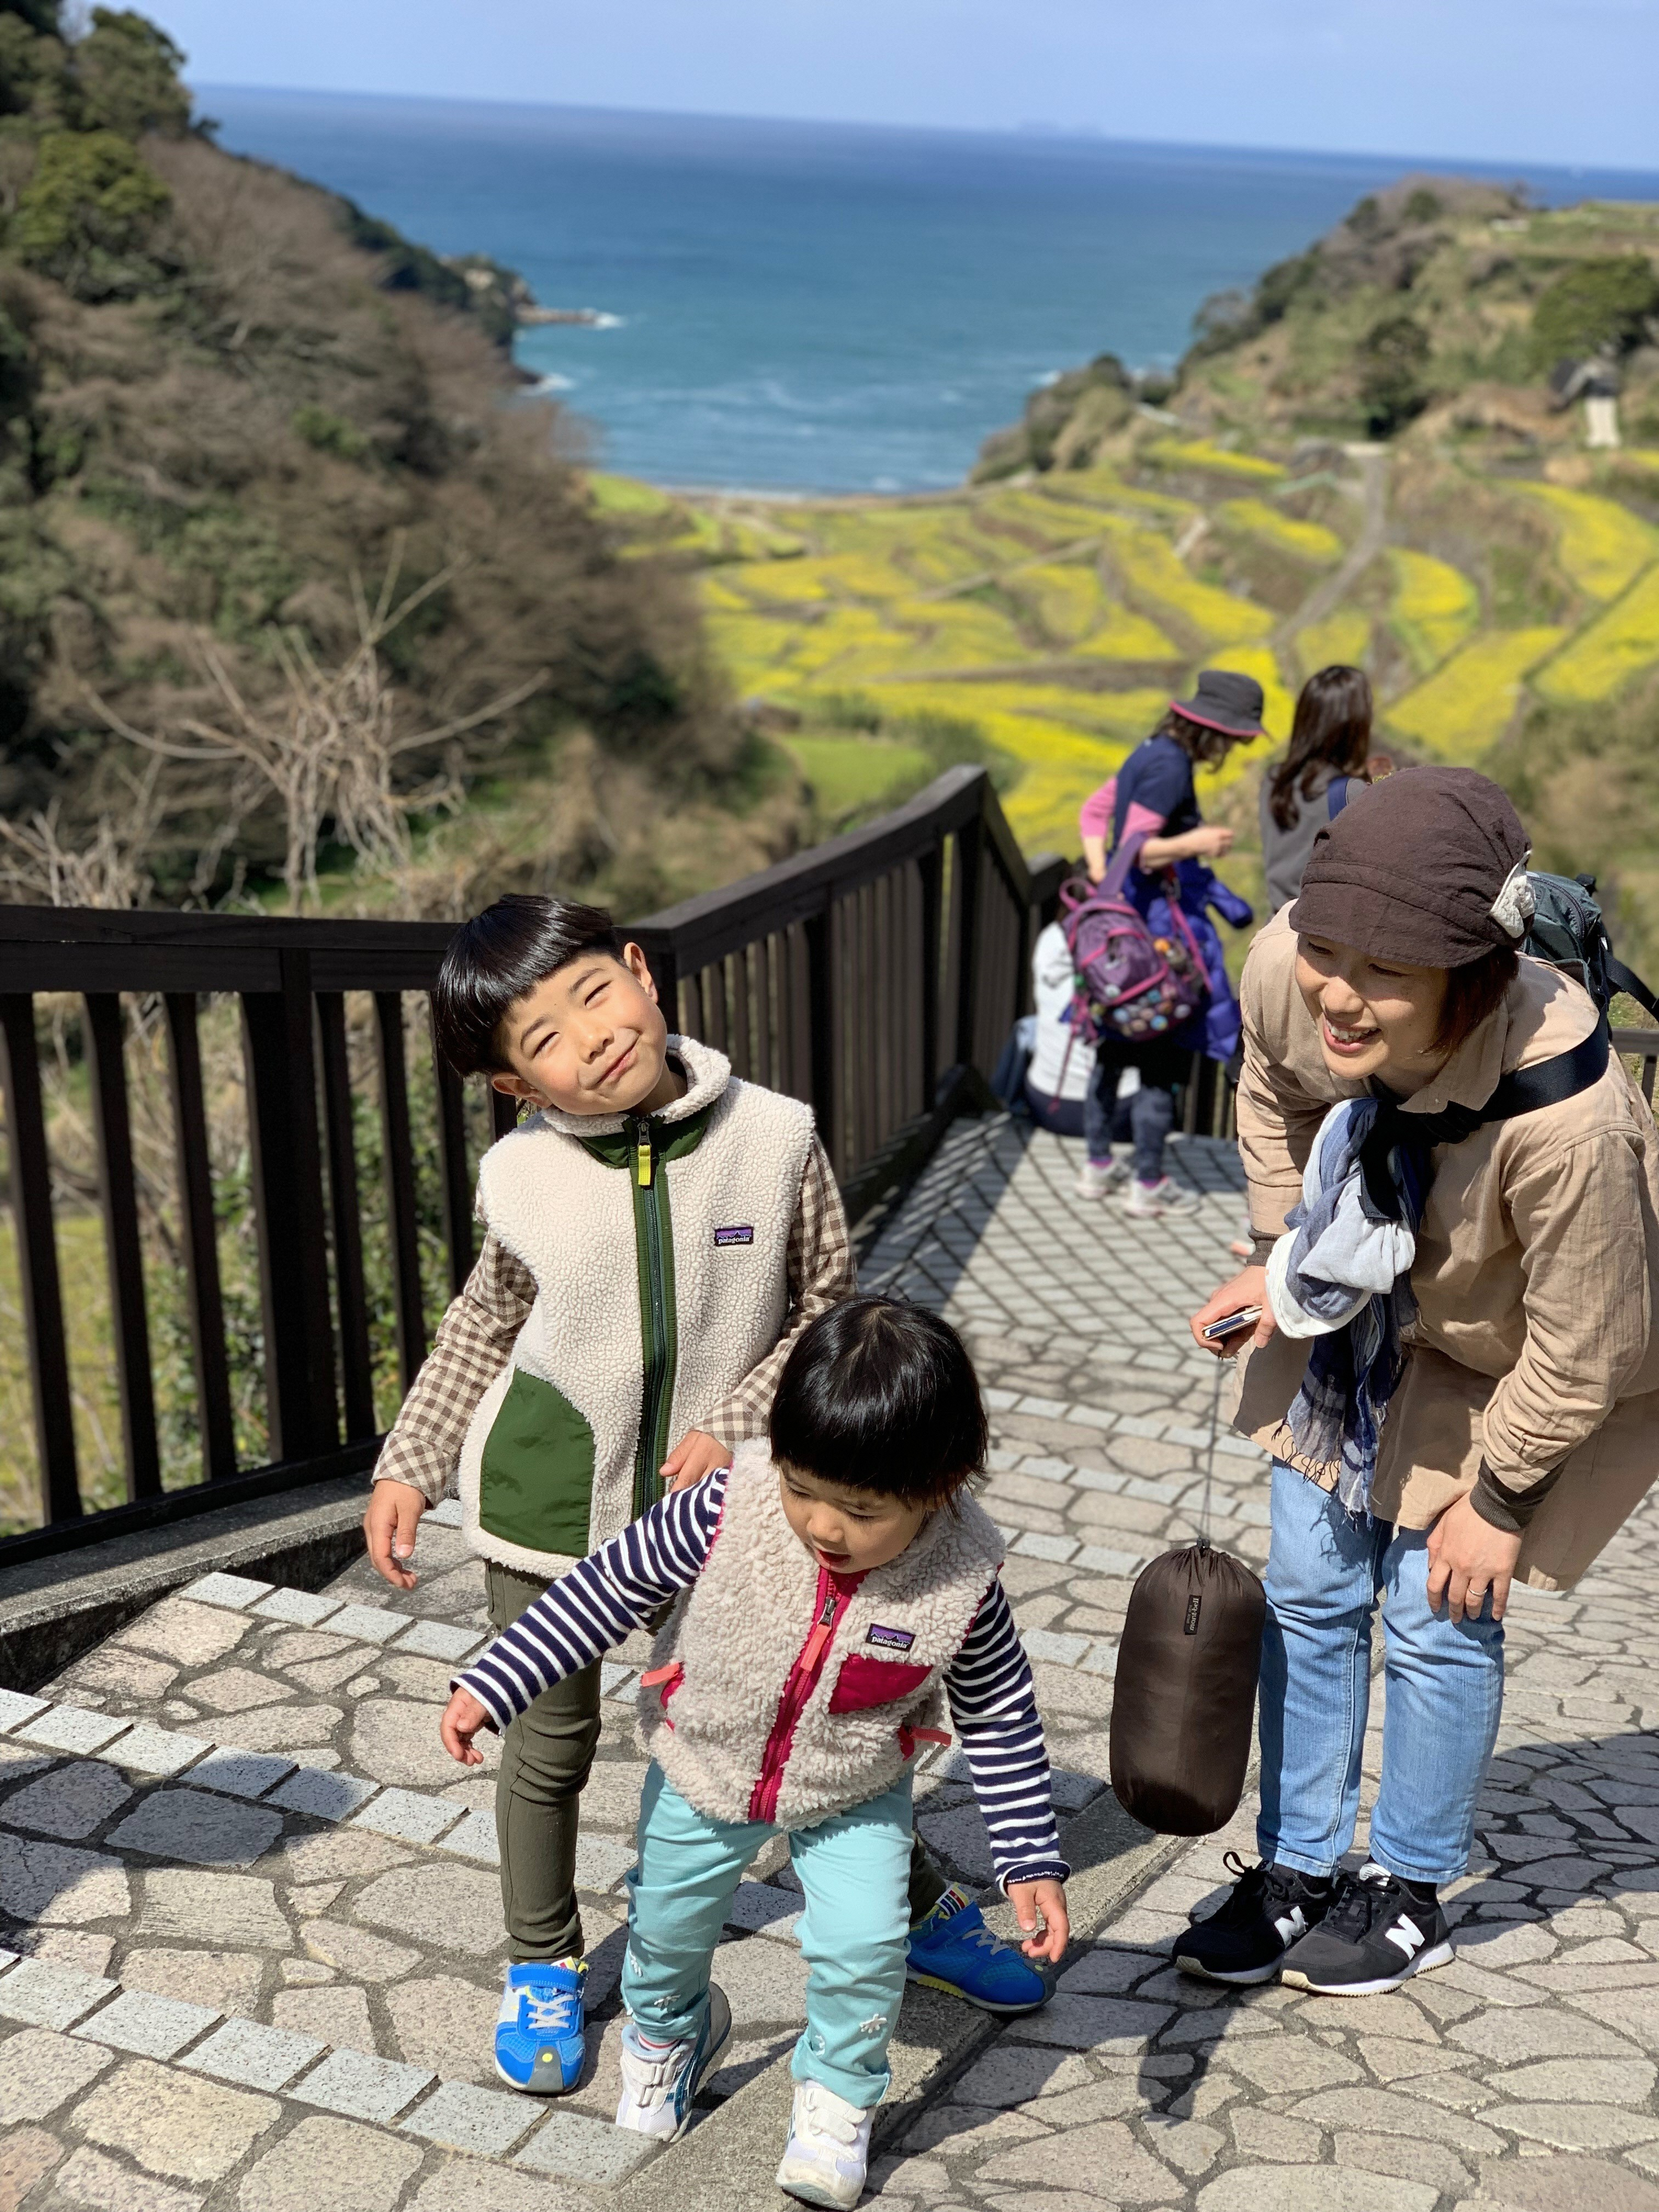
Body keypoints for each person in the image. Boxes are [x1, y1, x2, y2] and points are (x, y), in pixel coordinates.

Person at [362, 895, 1047, 2097]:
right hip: (548, 1497)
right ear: (519, 1087)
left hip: (740, 1514)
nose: (589, 1038)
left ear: (639, 971)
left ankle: (915, 1908)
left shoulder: (776, 1137)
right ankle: (541, 1963)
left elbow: (827, 1301)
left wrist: (736, 1428)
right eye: (543, 1041)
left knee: (813, 1711)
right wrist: (408, 1460)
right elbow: (485, 1320)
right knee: (548, 1742)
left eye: (592, 995)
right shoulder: (520, 1174)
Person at [1184, 766, 1659, 1996]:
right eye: (1328, 951)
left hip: (1508, 1358)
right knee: (1307, 1594)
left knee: (1440, 1615)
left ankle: (1407, 1888)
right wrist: (1278, 1256)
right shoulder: (1298, 970)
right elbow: (1275, 1090)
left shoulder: (1573, 1121)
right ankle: (1294, 1869)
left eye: (1387, 972)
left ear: (1475, 973)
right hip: (1360, 1322)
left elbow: (1587, 1344)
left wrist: (1498, 1502)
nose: (1341, 993)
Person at [439, 1297, 1070, 2209]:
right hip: (703, 1763)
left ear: (939, 1486)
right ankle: (666, 2041)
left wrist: (1026, 1857)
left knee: (860, 1945)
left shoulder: (959, 1581)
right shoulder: (721, 1508)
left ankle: (834, 2102)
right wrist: (494, 1680)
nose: (822, 1524)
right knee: (664, 1929)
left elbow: (1000, 1712)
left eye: (859, 1509)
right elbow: (602, 1588)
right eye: (801, 1487)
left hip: (852, 1786)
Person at [1076, 668, 1260, 1215]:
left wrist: (1099, 881)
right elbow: (1139, 848)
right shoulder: (1170, 766)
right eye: (1231, 739)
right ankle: (1149, 1183)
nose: (1228, 749)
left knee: (1111, 1052)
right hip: (1153, 940)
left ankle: (1098, 1168)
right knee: (1160, 1059)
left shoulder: (1148, 750)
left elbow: (1094, 813)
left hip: (1120, 934)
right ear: (1214, 732)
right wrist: (1197, 842)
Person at [1259, 664, 1376, 913]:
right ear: (1354, 725)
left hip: (1275, 930)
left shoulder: (1273, 781)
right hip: (1318, 942)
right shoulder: (1351, 793)